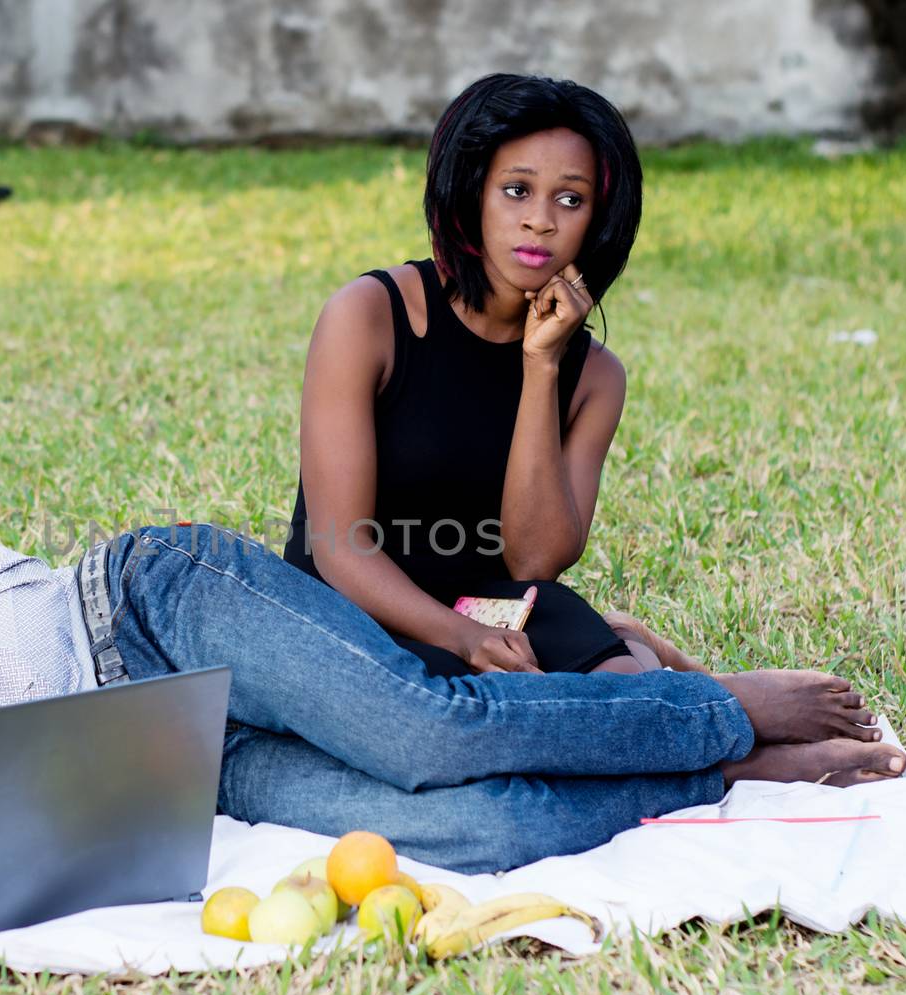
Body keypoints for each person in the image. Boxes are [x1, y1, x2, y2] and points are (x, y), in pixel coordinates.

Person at [0, 490, 902, 891]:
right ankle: (708, 777)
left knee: (419, 730)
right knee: (466, 835)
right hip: (132, 771)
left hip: (143, 608)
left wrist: (17, 710)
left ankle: (716, 703)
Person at [286, 73, 706, 678]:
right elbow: (338, 550)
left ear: (599, 218)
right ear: (472, 194)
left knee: (617, 690)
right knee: (477, 725)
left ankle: (667, 683)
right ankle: (730, 710)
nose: (540, 222)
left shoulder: (593, 378)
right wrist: (463, 637)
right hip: (352, 618)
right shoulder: (370, 317)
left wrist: (542, 367)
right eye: (515, 190)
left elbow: (534, 561)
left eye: (570, 199)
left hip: (498, 615)